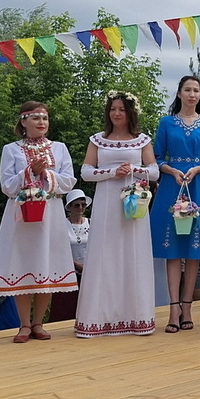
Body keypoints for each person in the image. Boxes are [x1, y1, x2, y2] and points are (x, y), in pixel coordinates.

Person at [0, 101, 78, 342]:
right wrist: (28, 172)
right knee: (23, 263)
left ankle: (39, 323)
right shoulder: (11, 150)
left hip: (50, 214)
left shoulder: (59, 148)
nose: (41, 122)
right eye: (36, 118)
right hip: (20, 215)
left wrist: (45, 173)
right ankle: (24, 324)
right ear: (23, 121)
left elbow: (69, 181)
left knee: (46, 262)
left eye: (45, 118)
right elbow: (7, 186)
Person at [74, 91, 158, 337]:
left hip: (134, 205)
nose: (117, 113)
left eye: (121, 109)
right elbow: (86, 172)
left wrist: (133, 169)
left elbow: (154, 172)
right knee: (104, 255)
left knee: (133, 254)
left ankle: (135, 317)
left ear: (130, 112)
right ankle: (98, 319)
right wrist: (112, 172)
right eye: (113, 109)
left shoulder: (142, 140)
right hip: (106, 204)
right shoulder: (97, 140)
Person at [149, 76, 200, 334]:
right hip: (172, 185)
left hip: (199, 185)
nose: (192, 94)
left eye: (196, 90)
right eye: (188, 90)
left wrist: (199, 168)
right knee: (173, 249)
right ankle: (173, 308)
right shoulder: (166, 122)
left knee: (194, 249)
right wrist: (171, 171)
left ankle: (188, 307)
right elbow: (156, 158)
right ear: (179, 93)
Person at [47, 189, 92, 322]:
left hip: (88, 272)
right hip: (67, 272)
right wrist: (75, 264)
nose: (80, 208)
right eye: (77, 205)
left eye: (83, 205)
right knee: (65, 308)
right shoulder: (62, 225)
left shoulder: (91, 223)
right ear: (70, 207)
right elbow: (57, 250)